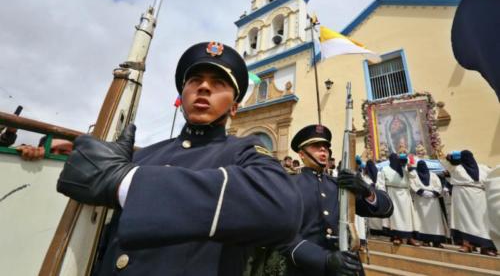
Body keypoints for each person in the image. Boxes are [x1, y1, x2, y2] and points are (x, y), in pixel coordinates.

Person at [56, 41, 303, 275]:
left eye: (218, 83)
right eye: (195, 80)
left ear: (234, 108)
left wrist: (126, 181)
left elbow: (281, 208)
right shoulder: (146, 155)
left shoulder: (243, 151)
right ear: (182, 95)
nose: (204, 87)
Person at [279, 124, 393, 276]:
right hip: (308, 268)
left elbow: (386, 209)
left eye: (326, 146)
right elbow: (284, 237)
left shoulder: (339, 184)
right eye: (316, 145)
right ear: (301, 154)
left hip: (348, 267)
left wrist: (367, 191)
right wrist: (324, 259)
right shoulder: (289, 184)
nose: (323, 149)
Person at [443, 150, 497, 256]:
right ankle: (466, 245)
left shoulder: (482, 168)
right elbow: (446, 161)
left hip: (479, 196)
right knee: (464, 220)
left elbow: (492, 176)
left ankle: (485, 247)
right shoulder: (456, 168)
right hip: (462, 196)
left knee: (482, 221)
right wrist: (449, 157)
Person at [377, 153, 421, 246]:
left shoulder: (404, 168)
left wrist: (410, 168)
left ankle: (410, 238)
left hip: (405, 195)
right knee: (395, 217)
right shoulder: (385, 169)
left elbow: (414, 176)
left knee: (408, 217)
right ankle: (397, 237)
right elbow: (380, 184)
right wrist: (384, 195)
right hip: (392, 195)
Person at [408, 160, 448, 247]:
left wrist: (434, 193)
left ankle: (437, 241)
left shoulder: (433, 175)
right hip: (420, 200)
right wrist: (422, 192)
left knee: (435, 221)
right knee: (421, 220)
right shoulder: (414, 175)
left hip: (433, 202)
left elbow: (438, 185)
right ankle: (424, 240)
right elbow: (412, 185)